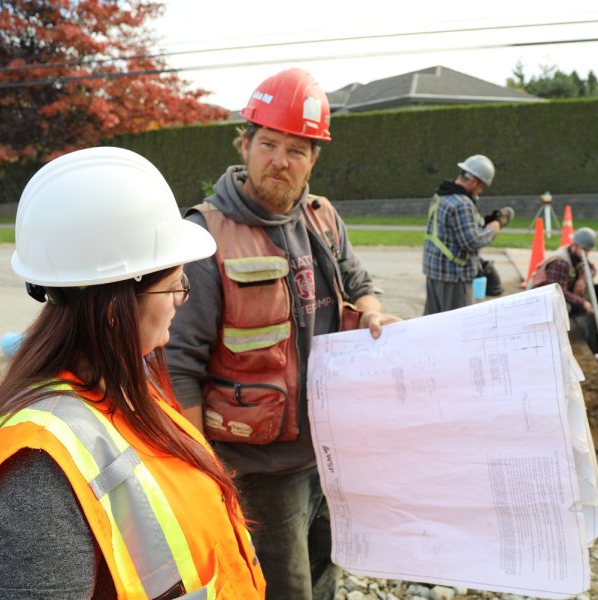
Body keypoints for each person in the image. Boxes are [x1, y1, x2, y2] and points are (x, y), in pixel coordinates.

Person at [0, 147, 265, 599]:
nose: (182, 298)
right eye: (176, 283)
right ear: (116, 309)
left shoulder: (126, 387)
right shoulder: (37, 473)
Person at [166, 67, 401, 600]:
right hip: (261, 467)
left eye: (297, 150)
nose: (280, 160)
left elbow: (360, 281)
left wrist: (370, 312)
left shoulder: (324, 219)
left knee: (326, 568)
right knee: (283, 589)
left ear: (313, 159)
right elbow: (179, 366)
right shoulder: (206, 237)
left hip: (331, 447)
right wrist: (203, 471)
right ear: (245, 146)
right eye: (268, 143)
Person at [422, 154, 513, 314]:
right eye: (481, 186)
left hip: (434, 270)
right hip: (454, 276)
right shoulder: (463, 203)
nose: (480, 191)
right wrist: (494, 228)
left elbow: (455, 229)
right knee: (460, 326)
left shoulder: (442, 195)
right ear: (473, 181)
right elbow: (472, 241)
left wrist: (487, 221)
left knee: (433, 322)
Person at [530, 226, 598, 349]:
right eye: (585, 250)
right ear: (575, 245)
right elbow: (558, 291)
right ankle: (555, 344)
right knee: (564, 308)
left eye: (588, 250)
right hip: (542, 299)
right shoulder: (561, 262)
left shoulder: (576, 255)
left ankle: (585, 342)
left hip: (558, 293)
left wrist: (582, 280)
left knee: (583, 301)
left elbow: (592, 269)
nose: (587, 254)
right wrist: (583, 303)